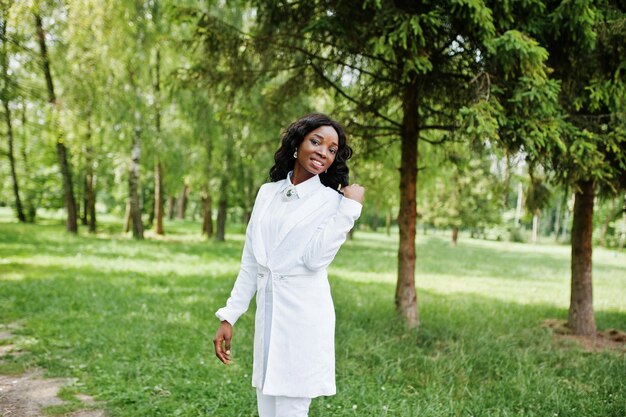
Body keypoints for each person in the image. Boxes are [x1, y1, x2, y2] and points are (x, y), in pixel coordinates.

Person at [213, 113, 365, 417]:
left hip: (303, 321)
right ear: (297, 144)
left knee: (291, 411)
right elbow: (251, 261)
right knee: (266, 409)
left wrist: (350, 210)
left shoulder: (331, 202)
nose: (323, 152)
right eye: (316, 141)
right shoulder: (267, 194)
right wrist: (230, 315)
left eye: (332, 149)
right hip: (268, 320)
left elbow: (315, 259)